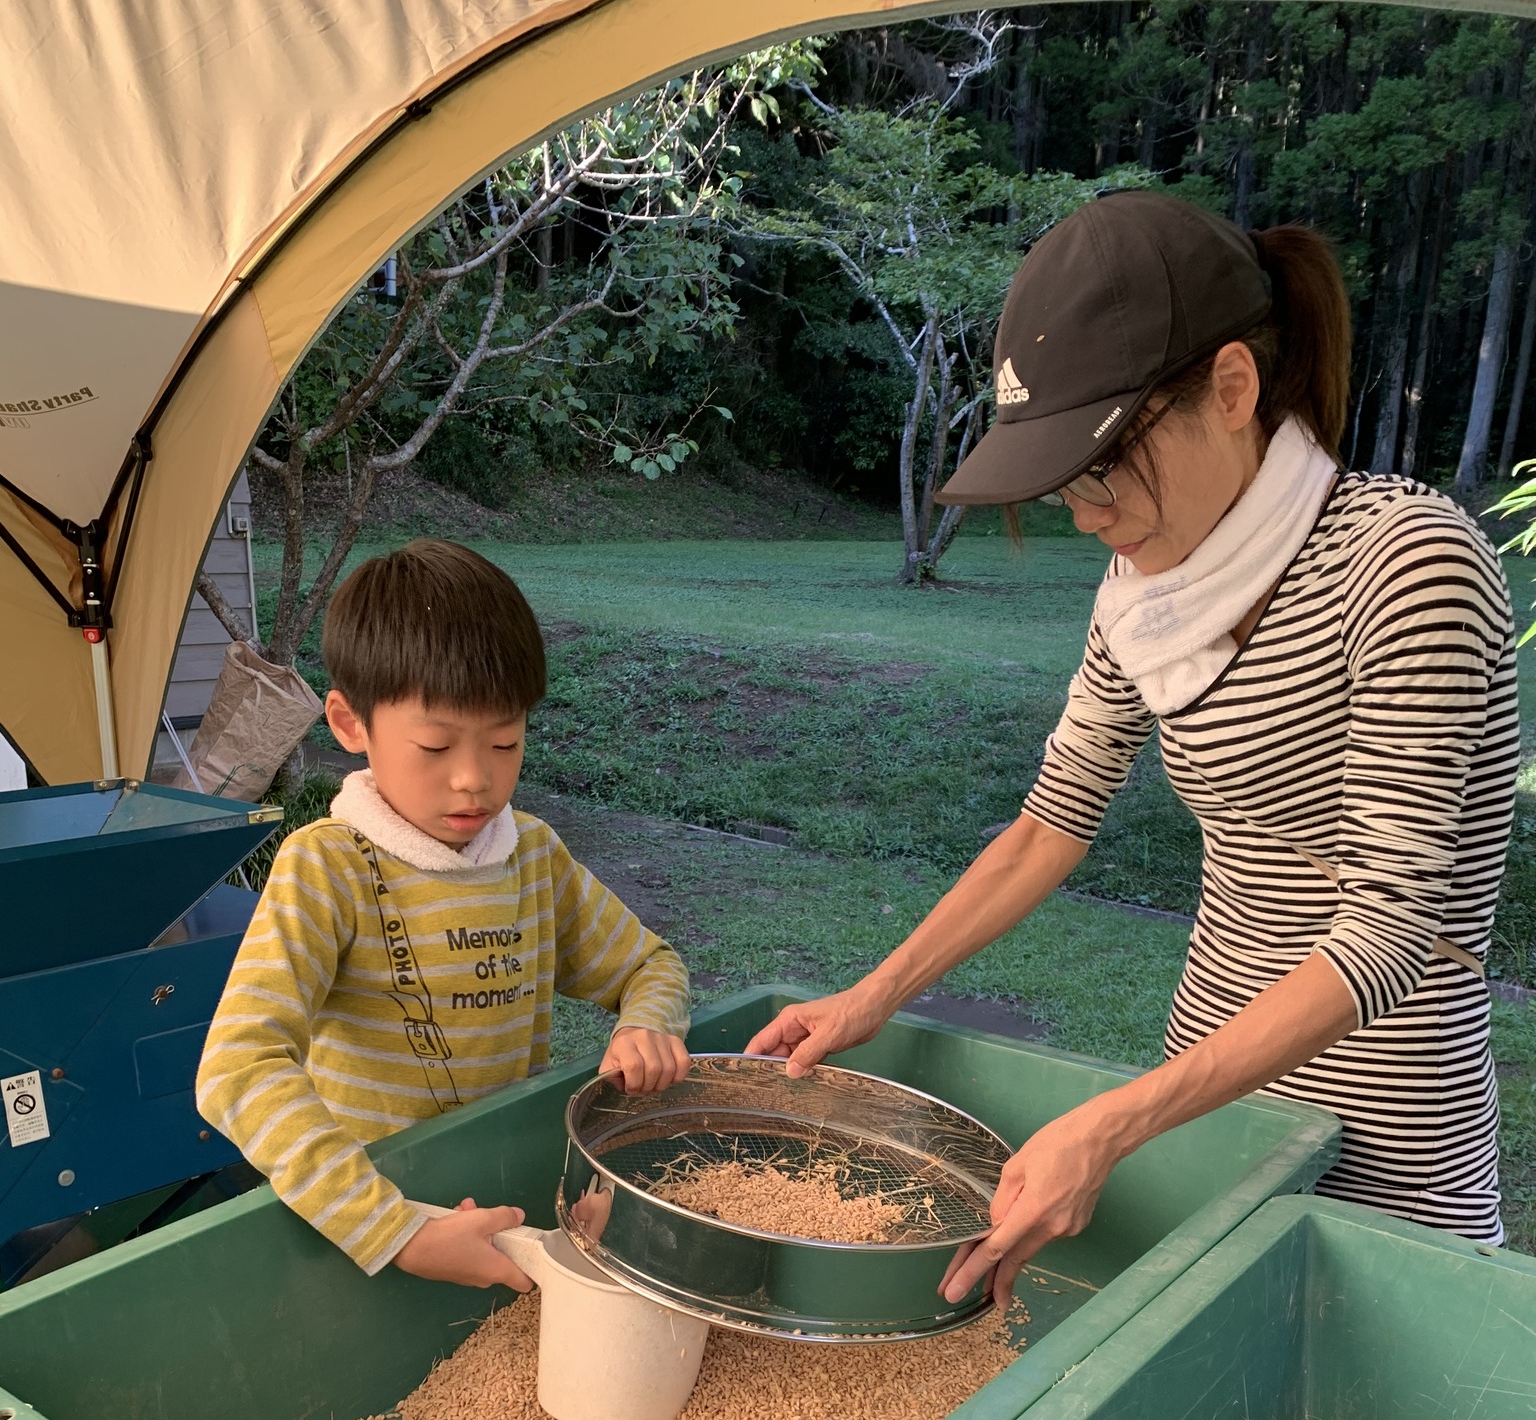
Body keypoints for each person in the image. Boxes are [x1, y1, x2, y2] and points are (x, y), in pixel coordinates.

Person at [749, 190, 1518, 1310]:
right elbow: (1051, 819)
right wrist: (876, 991)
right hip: (1209, 1104)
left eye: (1102, 467)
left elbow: (1392, 928)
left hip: (1391, 1130)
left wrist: (1118, 1116)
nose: (1082, 512)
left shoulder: (1408, 562)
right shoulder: (1142, 593)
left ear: (1234, 390)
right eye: (1066, 479)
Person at [197, 539, 691, 1290]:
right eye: (434, 745)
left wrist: (646, 1023)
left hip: (501, 1197)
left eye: (505, 741)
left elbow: (650, 965)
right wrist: (396, 1231)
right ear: (349, 723)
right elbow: (237, 1069)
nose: (475, 779)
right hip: (372, 1231)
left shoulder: (532, 858)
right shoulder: (326, 869)